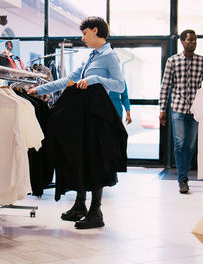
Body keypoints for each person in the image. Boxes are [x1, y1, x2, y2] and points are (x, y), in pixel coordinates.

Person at [27, 16, 124, 229]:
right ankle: (80, 205)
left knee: (95, 160)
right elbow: (68, 80)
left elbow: (119, 85)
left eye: (85, 33)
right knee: (81, 158)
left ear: (96, 31)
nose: (82, 38)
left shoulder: (109, 56)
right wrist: (39, 89)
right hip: (83, 117)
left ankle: (95, 212)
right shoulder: (89, 57)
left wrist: (93, 80)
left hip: (98, 117)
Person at [159, 29, 203, 194]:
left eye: (195, 40)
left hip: (196, 110)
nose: (193, 43)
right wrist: (162, 109)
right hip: (178, 109)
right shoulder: (173, 61)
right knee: (180, 144)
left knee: (190, 146)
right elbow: (165, 86)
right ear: (182, 42)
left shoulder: (202, 61)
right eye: (190, 40)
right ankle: (182, 179)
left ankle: (184, 174)